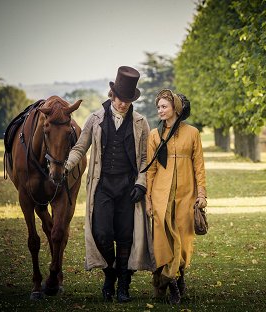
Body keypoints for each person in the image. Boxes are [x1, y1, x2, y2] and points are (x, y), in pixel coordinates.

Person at [65, 66, 155, 303]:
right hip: (102, 185)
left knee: (126, 236)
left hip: (128, 186)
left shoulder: (140, 122)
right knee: (102, 234)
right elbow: (80, 148)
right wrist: (65, 166)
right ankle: (110, 274)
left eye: (127, 100)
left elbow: (145, 158)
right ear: (112, 95)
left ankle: (124, 284)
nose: (123, 104)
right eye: (120, 99)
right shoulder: (95, 119)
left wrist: (141, 182)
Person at [144, 89, 207, 304]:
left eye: (164, 106)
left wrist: (202, 195)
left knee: (184, 240)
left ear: (175, 109)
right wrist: (149, 200)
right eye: (158, 107)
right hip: (161, 196)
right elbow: (150, 170)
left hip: (186, 196)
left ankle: (178, 276)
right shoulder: (155, 135)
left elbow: (199, 167)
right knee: (163, 241)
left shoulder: (193, 133)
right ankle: (173, 285)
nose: (160, 110)